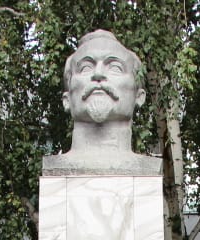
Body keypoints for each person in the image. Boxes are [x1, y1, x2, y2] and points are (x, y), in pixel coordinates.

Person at [43, 29, 161, 175]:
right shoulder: (54, 169)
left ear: (139, 96)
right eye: (86, 67)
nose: (98, 74)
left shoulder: (149, 171)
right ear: (66, 99)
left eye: (115, 68)